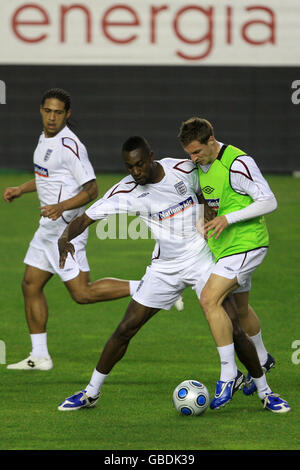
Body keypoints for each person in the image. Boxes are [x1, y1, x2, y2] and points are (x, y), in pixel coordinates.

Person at [56, 136, 289, 413]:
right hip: (165, 268)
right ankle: (90, 392)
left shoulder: (183, 169)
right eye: (130, 167)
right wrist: (64, 238)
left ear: (151, 156)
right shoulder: (126, 191)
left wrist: (207, 211)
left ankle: (266, 393)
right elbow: (85, 219)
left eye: (140, 164)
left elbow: (207, 184)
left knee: (235, 327)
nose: (136, 172)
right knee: (126, 328)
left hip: (201, 259)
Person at [3, 88, 142, 371]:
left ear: (67, 114)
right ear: (41, 110)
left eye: (58, 112)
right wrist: (21, 189)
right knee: (31, 284)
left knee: (82, 294)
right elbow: (47, 177)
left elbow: (92, 189)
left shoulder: (70, 145)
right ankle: (39, 356)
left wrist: (62, 207)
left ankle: (151, 287)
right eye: (47, 111)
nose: (52, 117)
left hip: (67, 230)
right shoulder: (45, 138)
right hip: (48, 229)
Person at [178, 117, 290, 413]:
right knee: (239, 310)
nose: (193, 158)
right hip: (225, 248)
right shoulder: (200, 166)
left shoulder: (238, 163)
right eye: (188, 153)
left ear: (211, 140)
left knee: (208, 299)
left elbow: (269, 201)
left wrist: (229, 219)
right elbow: (210, 199)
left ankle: (229, 374)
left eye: (196, 152)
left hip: (247, 244)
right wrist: (205, 218)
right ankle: (263, 357)